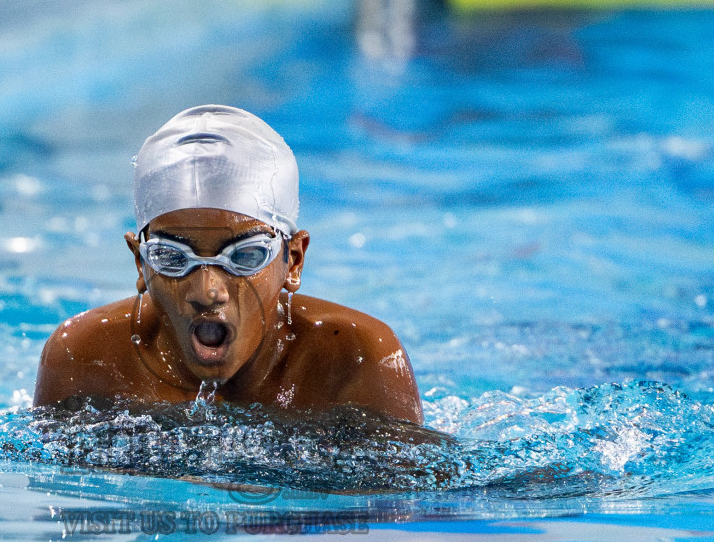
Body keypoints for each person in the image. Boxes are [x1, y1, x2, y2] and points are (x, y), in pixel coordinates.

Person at [34, 105, 423, 425]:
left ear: (294, 260)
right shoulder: (84, 360)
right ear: (140, 263)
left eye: (244, 255)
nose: (207, 291)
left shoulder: (355, 361)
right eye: (171, 257)